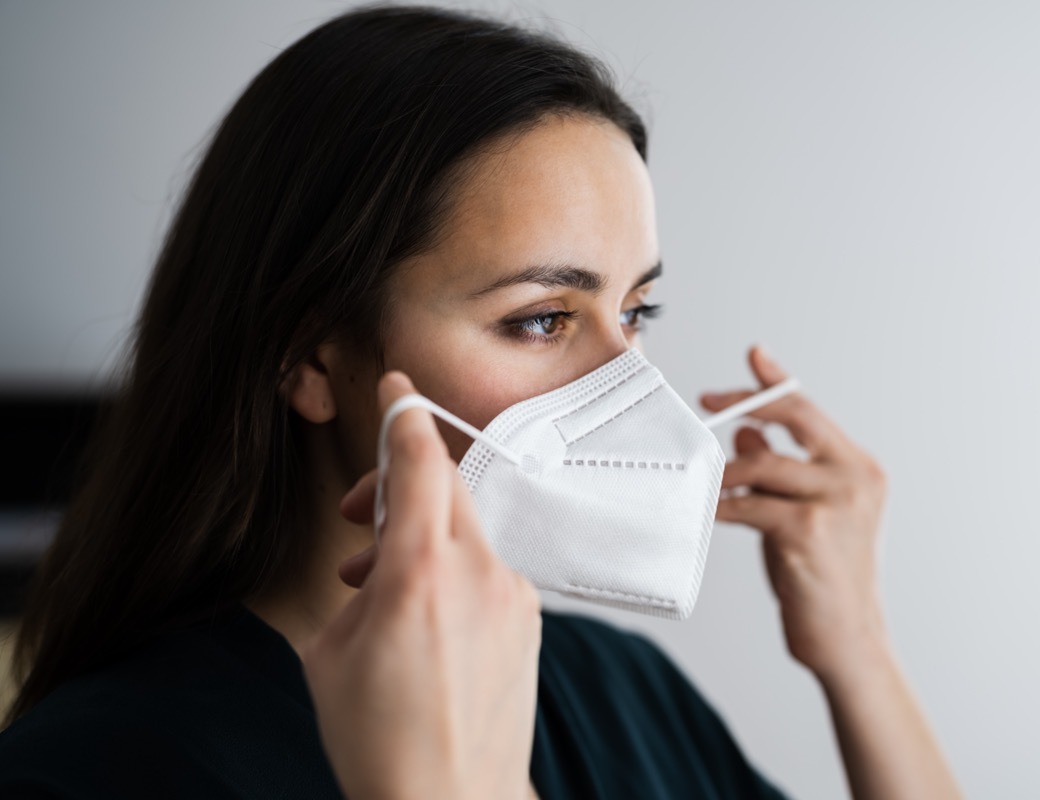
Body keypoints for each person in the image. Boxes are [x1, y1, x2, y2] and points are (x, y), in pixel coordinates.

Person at [0, 4, 962, 799]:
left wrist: (857, 649)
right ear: (311, 360)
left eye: (636, 310)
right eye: (543, 318)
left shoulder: (622, 690)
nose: (628, 383)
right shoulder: (97, 768)